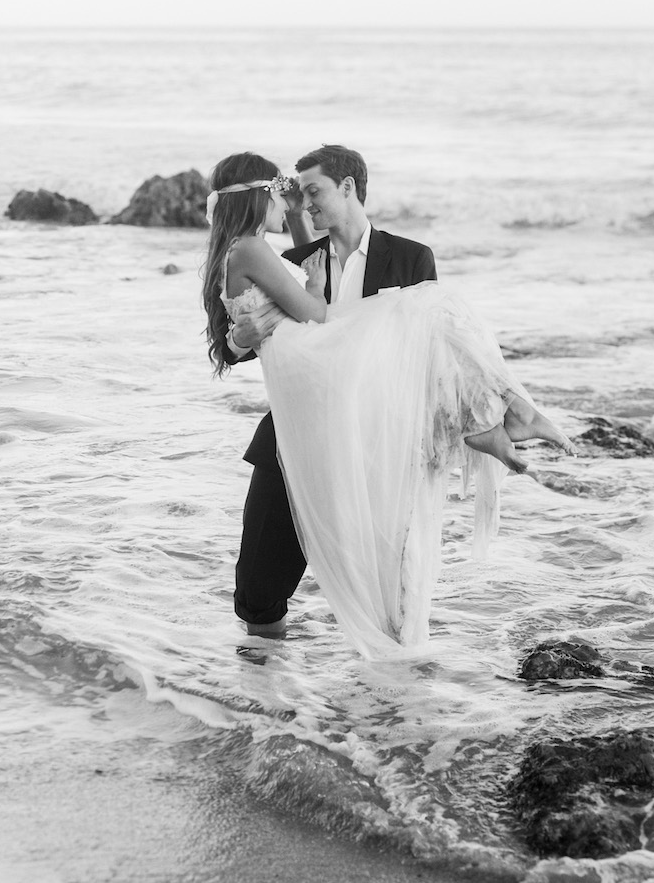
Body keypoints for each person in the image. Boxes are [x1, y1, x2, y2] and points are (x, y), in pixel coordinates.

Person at [203, 147, 576, 658]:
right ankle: (265, 704)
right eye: (297, 194)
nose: (302, 203)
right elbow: (232, 340)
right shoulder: (292, 262)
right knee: (258, 592)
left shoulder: (409, 257)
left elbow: (433, 356)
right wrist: (244, 338)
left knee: (388, 592)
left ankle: (390, 711)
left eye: (313, 192)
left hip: (382, 440)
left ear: (349, 188)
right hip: (298, 436)